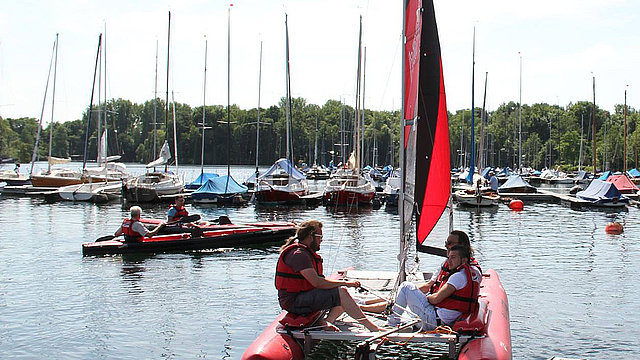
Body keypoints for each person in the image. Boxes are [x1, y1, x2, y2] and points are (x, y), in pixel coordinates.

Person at [275, 220, 380, 332]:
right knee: (341, 293)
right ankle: (373, 329)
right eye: (320, 237)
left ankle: (327, 322)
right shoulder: (299, 255)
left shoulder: (304, 253)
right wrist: (345, 283)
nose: (321, 240)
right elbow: (317, 283)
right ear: (311, 236)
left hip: (302, 296)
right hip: (294, 301)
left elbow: (318, 282)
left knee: (342, 296)